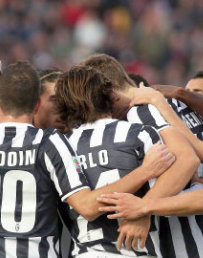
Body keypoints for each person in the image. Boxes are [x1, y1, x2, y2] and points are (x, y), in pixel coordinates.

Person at [0, 61, 172, 258]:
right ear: (37, 104)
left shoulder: (63, 141)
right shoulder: (51, 143)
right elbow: (88, 206)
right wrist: (145, 186)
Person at [97, 58, 203, 258]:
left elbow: (194, 159)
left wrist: (143, 208)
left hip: (192, 244)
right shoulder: (182, 105)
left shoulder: (143, 111)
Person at [55, 66, 177, 257]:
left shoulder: (61, 147)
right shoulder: (141, 134)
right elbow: (169, 196)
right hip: (138, 250)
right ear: (110, 93)